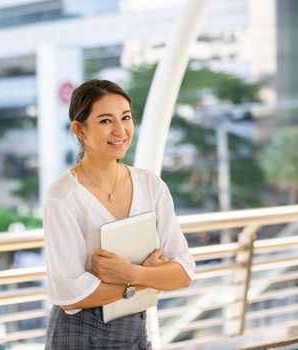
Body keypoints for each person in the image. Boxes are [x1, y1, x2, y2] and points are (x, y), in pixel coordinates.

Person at [43, 79, 195, 349]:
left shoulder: (151, 185)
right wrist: (149, 277)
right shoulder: (63, 196)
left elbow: (183, 272)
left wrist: (130, 272)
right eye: (105, 121)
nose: (120, 130)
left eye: (125, 117)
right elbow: (70, 295)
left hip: (135, 328)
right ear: (79, 129)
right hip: (78, 334)